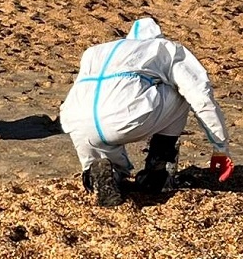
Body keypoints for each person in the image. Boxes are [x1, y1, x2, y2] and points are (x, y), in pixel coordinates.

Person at [59, 17, 233, 207]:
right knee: (182, 92)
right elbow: (201, 96)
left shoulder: (94, 51)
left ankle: (98, 177)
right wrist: (220, 148)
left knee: (107, 162)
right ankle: (157, 171)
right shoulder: (164, 48)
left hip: (75, 118)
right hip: (124, 117)